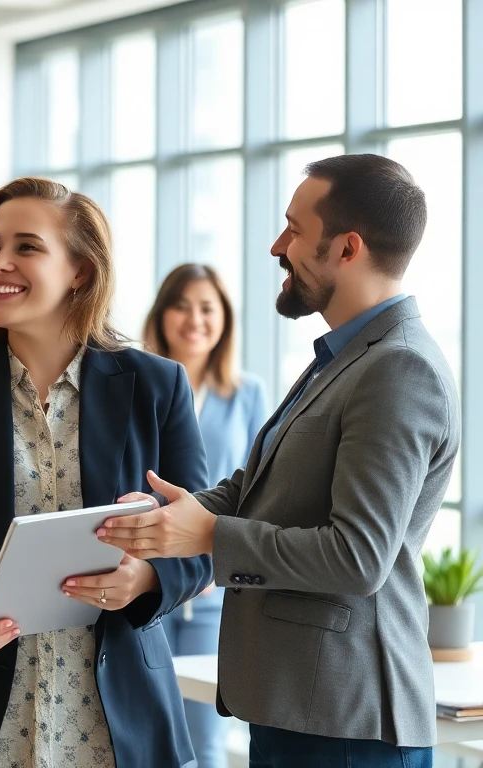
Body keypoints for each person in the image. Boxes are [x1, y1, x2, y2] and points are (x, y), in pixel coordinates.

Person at [100, 154, 460, 768]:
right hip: (299, 705)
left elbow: (358, 556)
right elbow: (258, 487)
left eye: (294, 228)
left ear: (347, 249)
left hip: (347, 720)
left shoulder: (399, 369)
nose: (277, 244)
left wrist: (209, 534)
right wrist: (170, 514)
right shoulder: (344, 357)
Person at [0, 177, 212, 768]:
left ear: (80, 271)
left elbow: (200, 542)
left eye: (26, 247)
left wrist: (145, 581)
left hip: (118, 718)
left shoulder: (157, 387)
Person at [142, 263, 269, 768]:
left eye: (208, 308)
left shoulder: (248, 393)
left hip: (217, 590)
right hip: (147, 577)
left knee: (207, 742)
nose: (194, 319)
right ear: (162, 314)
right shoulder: (141, 383)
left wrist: (220, 556)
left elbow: (261, 486)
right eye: (182, 305)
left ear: (225, 321)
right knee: (146, 731)